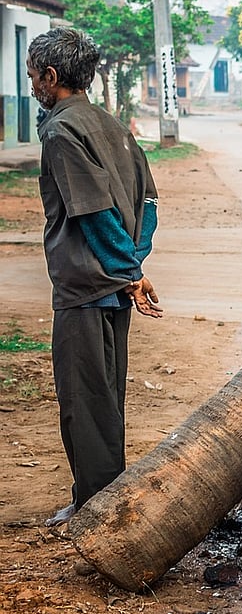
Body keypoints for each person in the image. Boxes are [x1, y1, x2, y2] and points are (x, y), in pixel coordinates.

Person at [28, 27, 163, 527]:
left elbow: (92, 212)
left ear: (51, 76)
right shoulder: (114, 126)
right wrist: (134, 264)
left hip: (85, 286)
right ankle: (104, 499)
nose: (32, 87)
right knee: (107, 393)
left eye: (33, 77)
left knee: (84, 400)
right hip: (112, 282)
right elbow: (147, 203)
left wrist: (128, 269)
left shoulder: (62, 131)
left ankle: (95, 507)